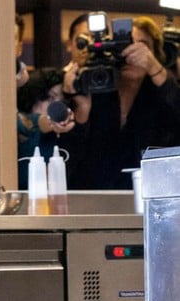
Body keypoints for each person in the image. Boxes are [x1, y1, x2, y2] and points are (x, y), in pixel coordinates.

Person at [61, 16, 180, 189]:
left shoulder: (161, 93)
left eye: (142, 46)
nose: (132, 53)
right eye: (125, 46)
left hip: (149, 194)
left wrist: (155, 68)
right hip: (92, 194)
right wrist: (78, 105)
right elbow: (68, 151)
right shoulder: (94, 86)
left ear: (155, 53)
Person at [16, 67, 75, 189]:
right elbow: (36, 122)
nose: (58, 106)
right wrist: (52, 121)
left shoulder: (66, 132)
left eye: (62, 101)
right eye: (50, 98)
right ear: (35, 96)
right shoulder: (18, 122)